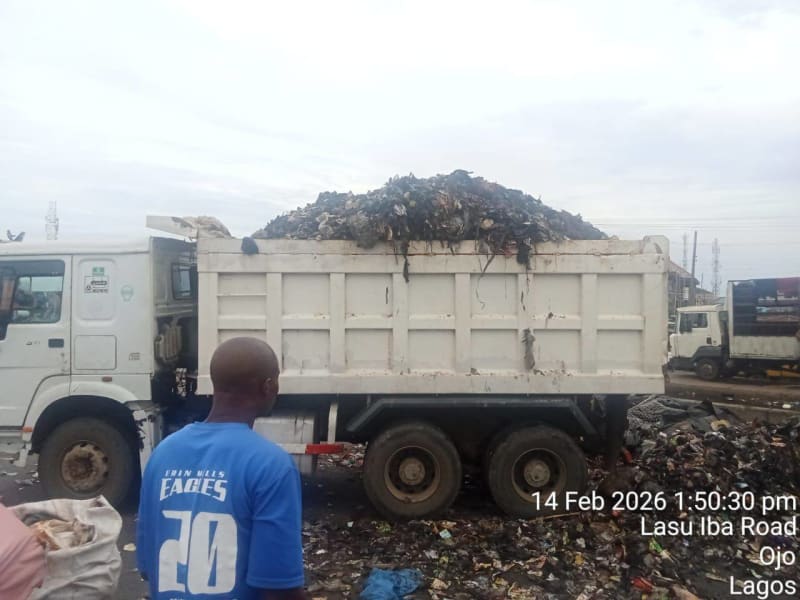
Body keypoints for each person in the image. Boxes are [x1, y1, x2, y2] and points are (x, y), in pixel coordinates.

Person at [137, 337, 308, 600]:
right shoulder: (272, 465)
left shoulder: (162, 455)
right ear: (268, 386)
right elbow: (279, 589)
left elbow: (150, 569)